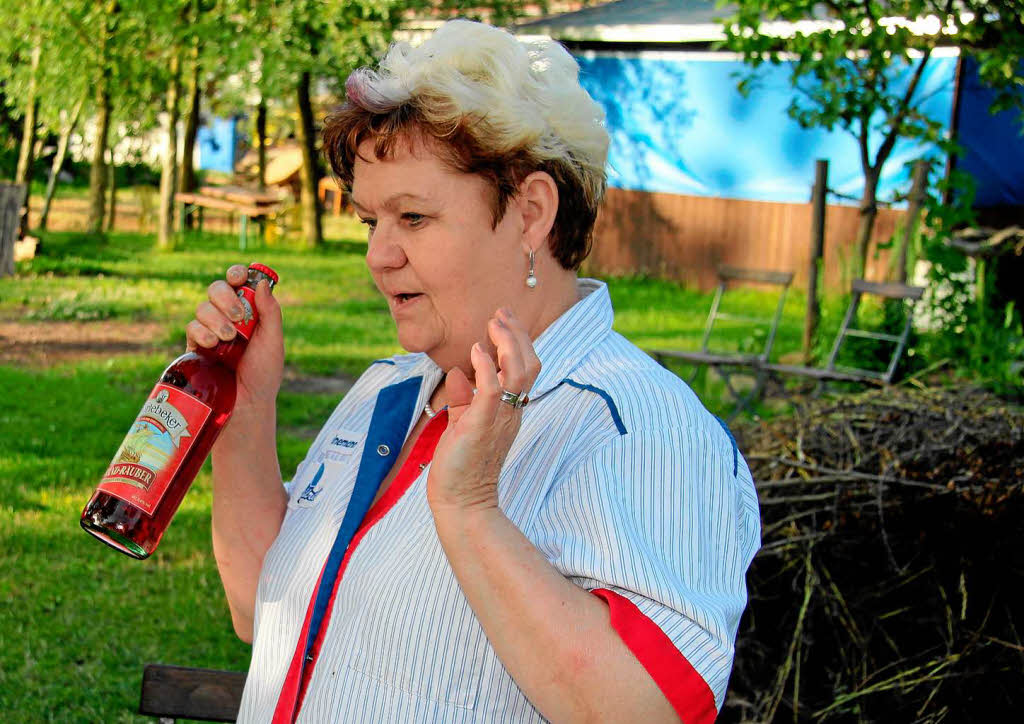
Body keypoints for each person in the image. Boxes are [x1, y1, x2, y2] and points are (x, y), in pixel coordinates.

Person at [188, 19, 760, 723]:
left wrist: (470, 512)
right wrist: (245, 411)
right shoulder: (390, 391)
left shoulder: (642, 430)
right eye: (373, 220)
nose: (379, 255)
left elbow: (648, 711)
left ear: (531, 215)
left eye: (414, 218)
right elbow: (259, 611)